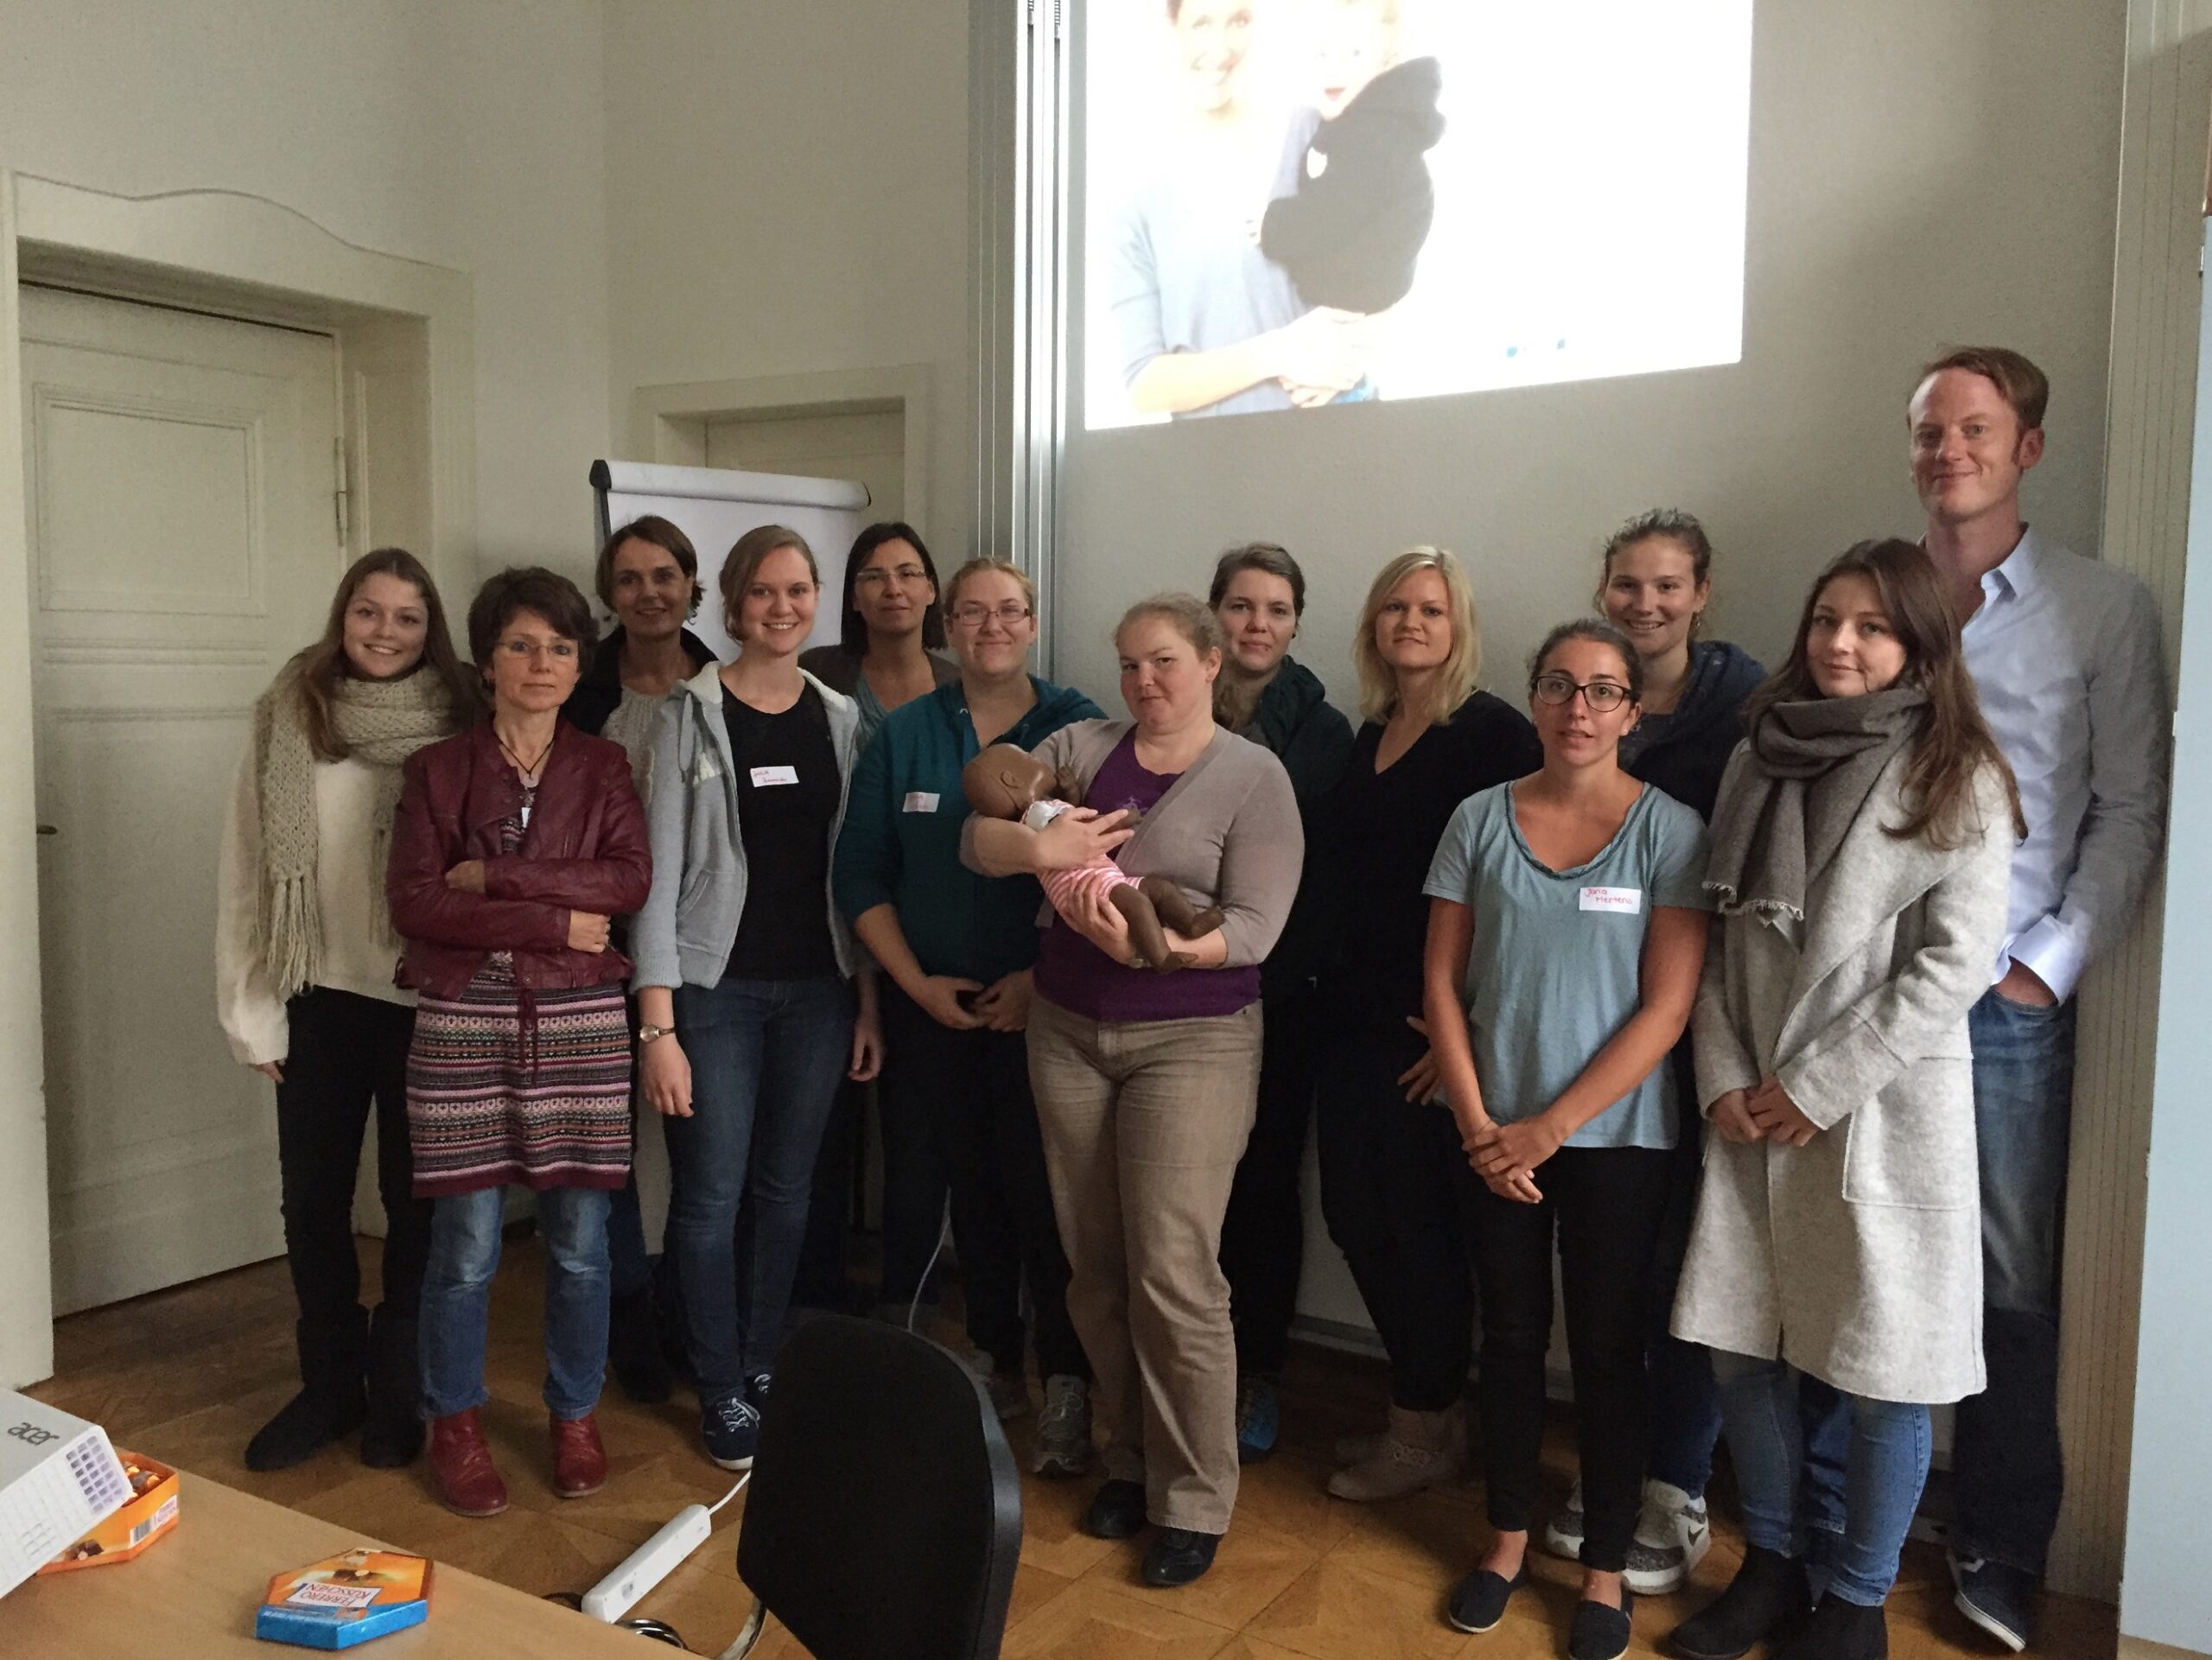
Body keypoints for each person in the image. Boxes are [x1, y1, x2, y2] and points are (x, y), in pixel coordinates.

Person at [1669, 539, 2023, 1660]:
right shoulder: (1755, 757)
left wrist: (1816, 1088)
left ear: (1919, 644)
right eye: (1828, 617)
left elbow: (1957, 962)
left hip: (1880, 1112)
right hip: (1751, 1106)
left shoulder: (1958, 769)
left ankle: (1859, 1599)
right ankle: (1771, 1566)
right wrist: (1727, 1076)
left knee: (1886, 1370)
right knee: (1742, 1348)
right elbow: (1722, 933)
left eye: (1872, 626)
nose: (1841, 643)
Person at [1904, 347, 2168, 1653]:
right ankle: (1867, 1517)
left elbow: (2129, 810)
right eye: (1929, 431)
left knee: (2009, 1283)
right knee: (1871, 1253)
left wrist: (2042, 965)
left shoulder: (2099, 607)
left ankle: (2002, 1546)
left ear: (2028, 448)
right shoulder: (1876, 601)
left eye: (1974, 428)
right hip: (1868, 989)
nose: (1947, 450)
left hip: (2002, 1002)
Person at [963, 594, 1300, 1588]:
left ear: (1207, 663)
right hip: (1066, 1034)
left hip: (1193, 1038)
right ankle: (1131, 1459)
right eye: (1126, 665)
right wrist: (1043, 848)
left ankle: (1195, 1496)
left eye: (1161, 662)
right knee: (1094, 1269)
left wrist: (1158, 950)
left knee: (1171, 1270)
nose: (1141, 683)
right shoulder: (1078, 741)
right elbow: (977, 835)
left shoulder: (1254, 776)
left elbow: (1255, 928)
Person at [1424, 619, 1711, 1660]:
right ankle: (1503, 1541)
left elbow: (1666, 1010)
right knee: (1504, 1339)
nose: (1577, 707)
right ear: (1535, 698)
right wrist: (1479, 1124)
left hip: (1616, 1140)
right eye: (1557, 685)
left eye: (1601, 691)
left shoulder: (1671, 831)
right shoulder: (1476, 819)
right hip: (1491, 1132)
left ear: (1633, 711)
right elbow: (1441, 986)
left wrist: (1549, 1127)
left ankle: (1602, 1569)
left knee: (1605, 1350)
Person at [388, 567, 651, 1518]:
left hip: (580, 1023)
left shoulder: (604, 765)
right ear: (486, 659)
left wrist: (493, 876)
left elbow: (624, 882)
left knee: (581, 1244)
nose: (542, 664)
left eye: (561, 647)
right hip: (463, 1020)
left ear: (581, 664)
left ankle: (573, 1414)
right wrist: (548, 919)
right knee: (464, 1246)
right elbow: (414, 902)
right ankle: (452, 1421)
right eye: (520, 645)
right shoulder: (437, 769)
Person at [833, 557, 1105, 1472]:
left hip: (1047, 1007)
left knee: (1043, 1196)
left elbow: (1105, 869)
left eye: (1011, 609)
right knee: (960, 1190)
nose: (992, 624)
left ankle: (1068, 1381)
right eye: (973, 610)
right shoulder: (908, 733)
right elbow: (860, 873)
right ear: (948, 623)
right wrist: (912, 985)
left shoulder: (1079, 727)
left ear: (1034, 621)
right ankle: (994, 1361)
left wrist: (1038, 972)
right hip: (931, 1005)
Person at [1541, 509, 1766, 1593]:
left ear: (1701, 591)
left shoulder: (1752, 707)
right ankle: (1611, 1466)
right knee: (1614, 1280)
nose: (1645, 603)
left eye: (1667, 585)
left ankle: (1671, 1481)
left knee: (1693, 1260)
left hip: (1714, 1016)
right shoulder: (1576, 699)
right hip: (1593, 1030)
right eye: (1626, 583)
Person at [215, 549, 476, 1473]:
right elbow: (250, 866)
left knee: (418, 1210)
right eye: (369, 612)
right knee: (313, 1204)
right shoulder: (292, 711)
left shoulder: (465, 717)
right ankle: (328, 1386)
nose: (384, 632)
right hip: (316, 997)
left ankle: (396, 1393)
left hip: (425, 1003)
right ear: (344, 614)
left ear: (429, 629)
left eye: (407, 618)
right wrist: (251, 1010)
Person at [632, 525, 883, 1472]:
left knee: (787, 1192)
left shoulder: (840, 716)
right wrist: (656, 1025)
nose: (782, 608)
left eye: (798, 590)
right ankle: (720, 1382)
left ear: (818, 600)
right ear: (732, 606)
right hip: (714, 993)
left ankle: (765, 1358)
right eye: (763, 593)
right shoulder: (686, 717)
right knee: (710, 1194)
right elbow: (653, 884)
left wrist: (864, 1002)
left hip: (818, 990)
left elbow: (853, 874)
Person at [1316, 547, 1539, 1503]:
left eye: (1432, 610)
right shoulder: (1367, 731)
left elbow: (1527, 894)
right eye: (1395, 607)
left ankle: (1421, 1424)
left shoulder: (1494, 737)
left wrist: (1463, 1036)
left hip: (1428, 1038)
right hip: (1350, 1019)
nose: (1411, 622)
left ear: (1459, 629)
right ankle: (1435, 1410)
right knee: (1352, 1215)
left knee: (1418, 1234)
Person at [563, 514, 719, 1406]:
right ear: (609, 595)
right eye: (629, 579)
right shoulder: (582, 693)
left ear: (692, 585)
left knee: (702, 1153)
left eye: (665, 575)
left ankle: (695, 1315)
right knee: (608, 1153)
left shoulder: (727, 687)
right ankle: (629, 1325)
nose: (649, 593)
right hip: (592, 949)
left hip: (701, 952)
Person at [1205, 543, 1352, 1460]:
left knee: (1261, 1187)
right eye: (1240, 605)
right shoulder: (1170, 703)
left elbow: (1279, 852)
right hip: (1177, 986)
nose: (1256, 623)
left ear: (1297, 623)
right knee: (1186, 1189)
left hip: (1281, 991)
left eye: (1275, 608)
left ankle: (1256, 1373)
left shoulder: (1326, 729)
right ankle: (1189, 1367)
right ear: (1214, 613)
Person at [796, 521, 958, 1320]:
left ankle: (902, 1310)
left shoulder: (966, 685)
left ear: (933, 591)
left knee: (913, 1143)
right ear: (851, 597)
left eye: (908, 572)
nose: (892, 588)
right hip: (825, 924)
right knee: (822, 1134)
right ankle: (816, 1301)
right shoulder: (817, 674)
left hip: (925, 934)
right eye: (872, 575)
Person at [1110, 0, 1377, 417]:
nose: (1220, 47)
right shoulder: (1139, 197)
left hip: (1343, 451)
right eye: (1201, 23)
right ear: (1171, 27)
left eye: (1238, 20)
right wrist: (1279, 351)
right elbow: (1144, 383)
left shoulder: (1317, 135)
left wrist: (1353, 358)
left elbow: (1391, 276)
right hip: (1217, 473)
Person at [1259, 0, 1444, 316]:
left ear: (1387, 62)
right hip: (1354, 296)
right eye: (1322, 54)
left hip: (1353, 306)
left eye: (1355, 54)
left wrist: (1271, 227)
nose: (1335, 67)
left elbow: (1329, 213)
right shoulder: (1357, 124)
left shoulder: (1375, 136)